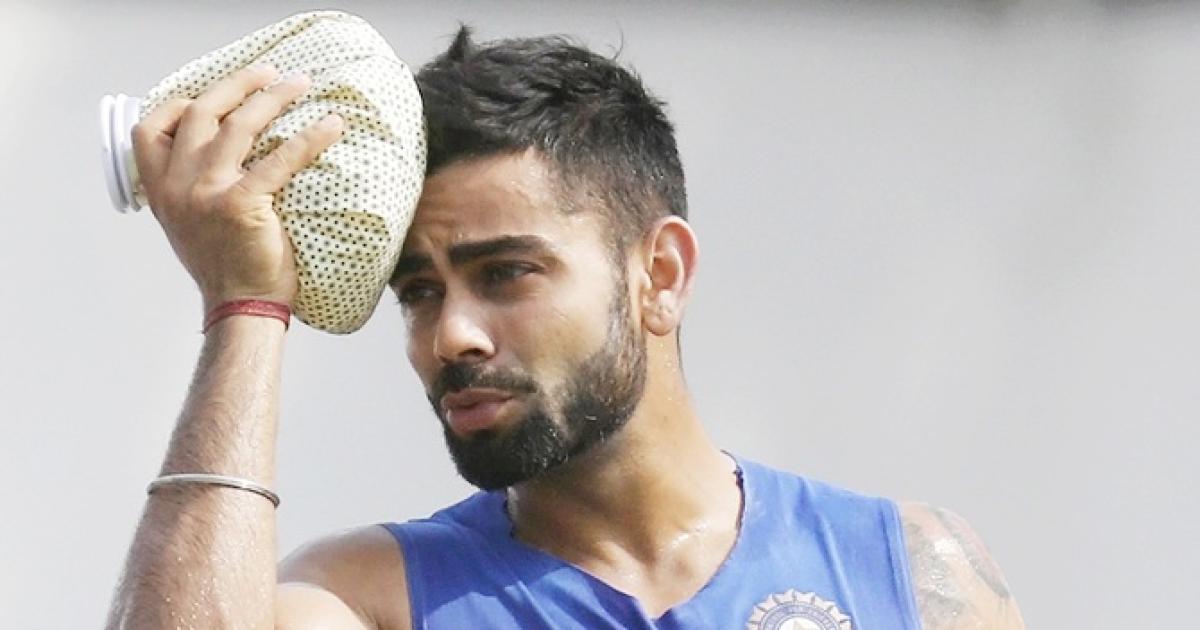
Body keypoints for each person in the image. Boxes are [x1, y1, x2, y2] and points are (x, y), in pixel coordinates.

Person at [106, 27, 1026, 630]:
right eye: (419, 292)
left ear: (659, 275)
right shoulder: (368, 599)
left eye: (506, 273)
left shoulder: (910, 571)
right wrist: (247, 305)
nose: (452, 336)